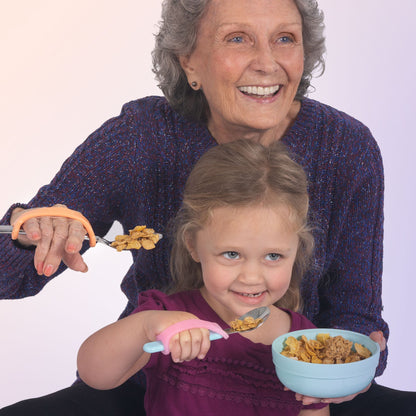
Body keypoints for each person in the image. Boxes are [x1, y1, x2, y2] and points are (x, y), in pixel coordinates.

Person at [0, 0, 414, 415]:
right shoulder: (139, 138)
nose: (267, 64)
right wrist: (32, 229)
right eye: (238, 38)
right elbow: (9, 275)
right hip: (155, 380)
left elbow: (355, 320)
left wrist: (352, 366)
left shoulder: (346, 148)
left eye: (285, 39)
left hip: (293, 387)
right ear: (189, 62)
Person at [77, 139, 329, 416]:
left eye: (273, 257)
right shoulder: (170, 316)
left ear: (296, 252)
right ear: (193, 246)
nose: (252, 277)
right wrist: (148, 326)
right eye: (232, 254)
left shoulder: (305, 342)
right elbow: (95, 374)